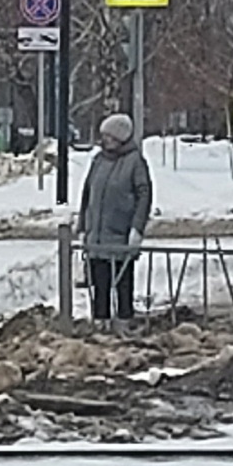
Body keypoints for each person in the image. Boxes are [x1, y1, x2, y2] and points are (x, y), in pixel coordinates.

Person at [79, 111, 152, 326]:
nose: (105, 140)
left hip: (120, 234)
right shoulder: (98, 160)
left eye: (110, 137)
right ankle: (101, 320)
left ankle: (124, 319)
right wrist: (83, 224)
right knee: (99, 280)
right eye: (104, 136)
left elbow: (144, 195)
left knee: (122, 280)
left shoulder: (134, 162)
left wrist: (137, 229)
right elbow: (87, 193)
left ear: (121, 138)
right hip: (97, 234)